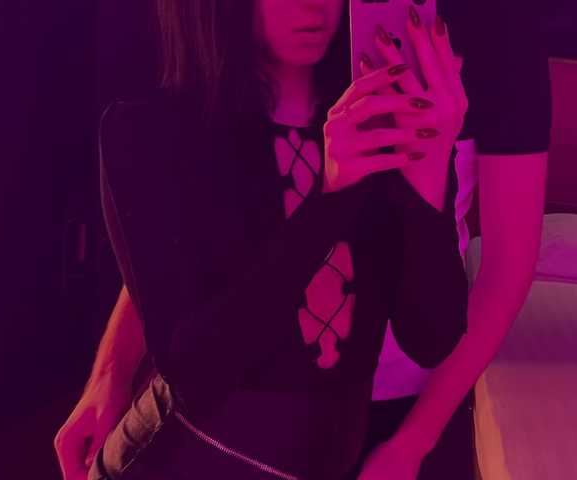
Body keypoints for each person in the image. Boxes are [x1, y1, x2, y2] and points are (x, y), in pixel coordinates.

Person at [55, 1, 472, 479]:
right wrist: (331, 198)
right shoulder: (152, 133)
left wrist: (430, 165)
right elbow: (198, 371)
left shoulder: (374, 123)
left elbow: (430, 337)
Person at [347, 0, 552, 479]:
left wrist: (410, 445)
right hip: (272, 396)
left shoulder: (502, 24)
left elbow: (506, 271)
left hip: (413, 391)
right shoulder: (293, 16)